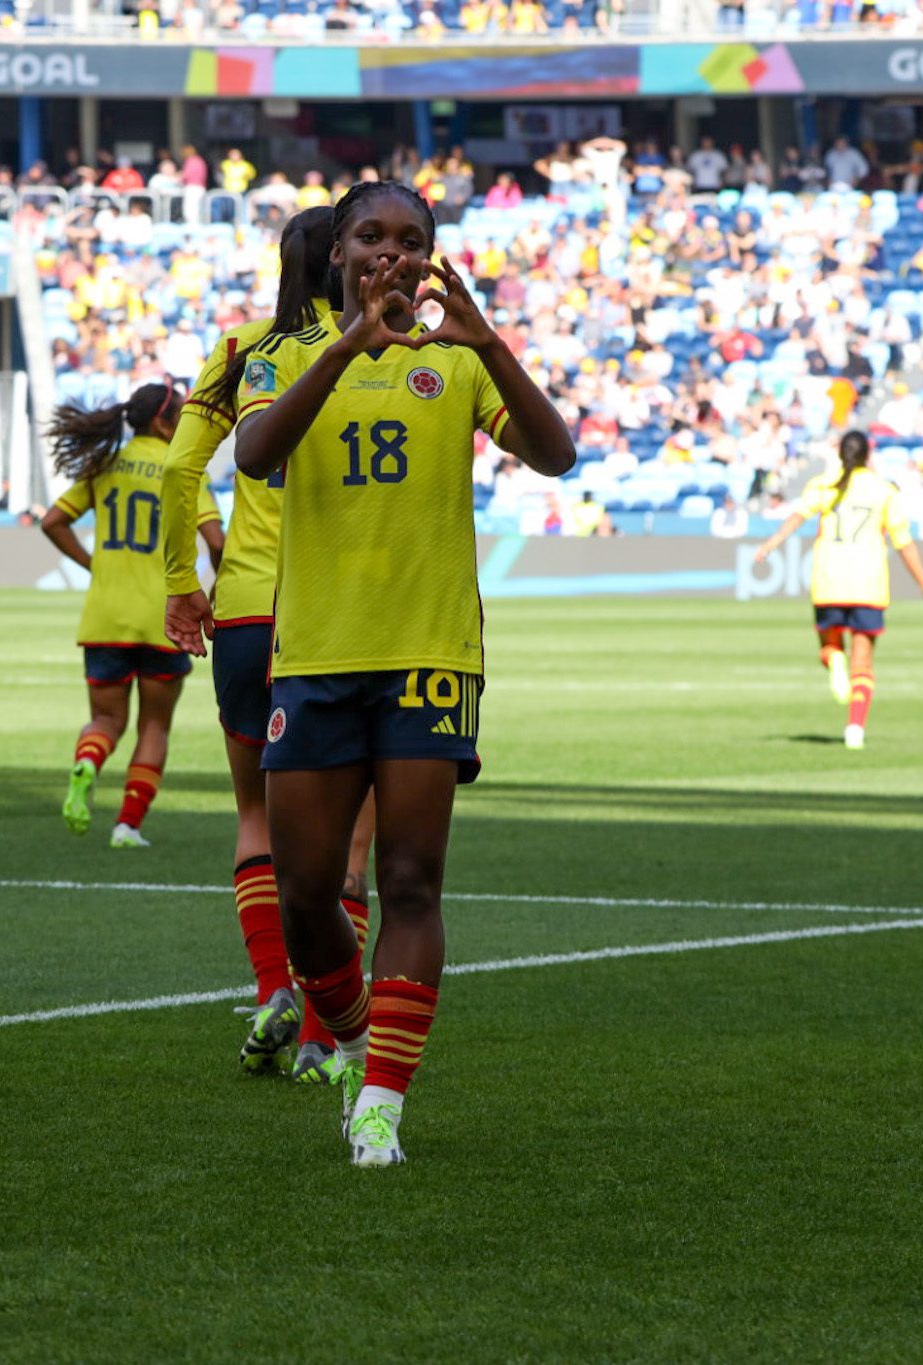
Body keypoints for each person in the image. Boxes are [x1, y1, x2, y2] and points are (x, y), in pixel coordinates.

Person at [230, 181, 575, 1166]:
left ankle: (379, 1098)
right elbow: (256, 456)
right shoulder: (283, 355)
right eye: (369, 236)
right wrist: (345, 347)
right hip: (315, 655)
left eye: (409, 240)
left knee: (409, 881)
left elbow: (557, 456)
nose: (389, 252)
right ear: (335, 253)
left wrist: (491, 345)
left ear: (430, 260)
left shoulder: (456, 368)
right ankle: (344, 1038)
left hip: (428, 657)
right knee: (305, 894)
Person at [160, 206, 380, 1082]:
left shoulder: (243, 349)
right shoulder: (377, 346)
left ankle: (271, 991)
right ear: (343, 260)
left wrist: (185, 582)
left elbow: (182, 467)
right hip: (346, 615)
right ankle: (329, 1039)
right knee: (353, 842)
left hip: (250, 610)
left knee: (257, 816)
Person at [39, 384, 199, 849]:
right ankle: (127, 825)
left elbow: (52, 521)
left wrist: (95, 564)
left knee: (106, 723)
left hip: (105, 616)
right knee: (154, 727)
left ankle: (88, 761)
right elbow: (215, 540)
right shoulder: (181, 468)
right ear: (163, 423)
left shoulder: (104, 465)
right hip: (163, 619)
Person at [750, 430, 923, 750]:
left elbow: (798, 515)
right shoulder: (884, 490)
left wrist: (772, 543)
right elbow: (904, 545)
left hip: (829, 581)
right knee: (864, 664)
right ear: (868, 455)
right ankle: (855, 729)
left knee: (829, 649)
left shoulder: (824, 484)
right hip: (868, 585)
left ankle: (834, 663)